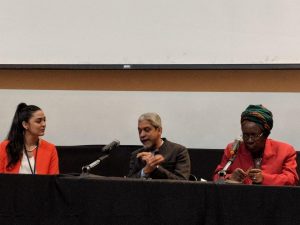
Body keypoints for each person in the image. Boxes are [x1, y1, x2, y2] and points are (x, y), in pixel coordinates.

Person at [214, 104, 298, 185]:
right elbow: (217, 176)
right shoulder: (233, 149)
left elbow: (292, 179)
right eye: (245, 135)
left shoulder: (285, 151)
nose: (249, 140)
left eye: (254, 135)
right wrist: (230, 178)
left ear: (266, 134)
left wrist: (264, 178)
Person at [127, 112, 191, 180]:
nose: (142, 135)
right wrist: (144, 171)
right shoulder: (136, 155)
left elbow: (183, 182)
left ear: (159, 130)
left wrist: (156, 168)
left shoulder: (178, 151)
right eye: (139, 131)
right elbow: (127, 183)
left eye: (147, 130)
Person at [0, 103, 59, 174]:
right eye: (38, 121)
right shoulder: (5, 147)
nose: (44, 124)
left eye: (44, 120)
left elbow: (53, 181)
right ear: (25, 125)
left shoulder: (50, 149)